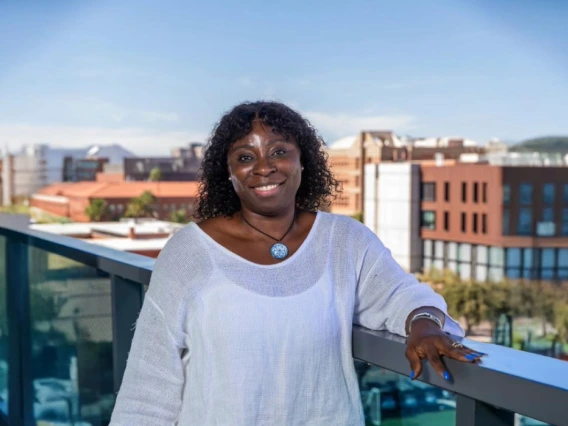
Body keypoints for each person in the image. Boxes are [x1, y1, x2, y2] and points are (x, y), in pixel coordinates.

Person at [110, 101, 483, 426]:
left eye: (278, 151)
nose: (263, 167)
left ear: (303, 160)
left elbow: (401, 295)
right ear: (227, 172)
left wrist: (424, 325)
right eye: (245, 157)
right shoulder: (189, 251)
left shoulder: (344, 241)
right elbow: (149, 385)